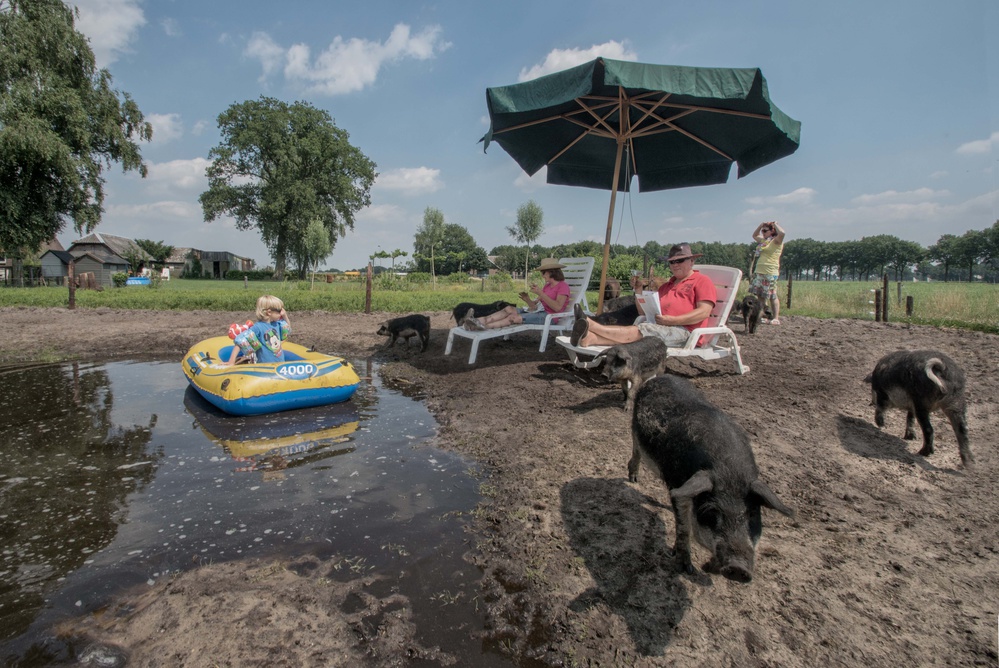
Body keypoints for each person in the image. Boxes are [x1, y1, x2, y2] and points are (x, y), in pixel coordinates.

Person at [569, 243, 716, 347]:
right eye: (671, 262)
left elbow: (704, 312)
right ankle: (590, 339)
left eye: (680, 260)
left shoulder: (701, 281)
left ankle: (591, 324)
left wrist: (673, 320)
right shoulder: (667, 285)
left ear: (692, 261)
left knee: (643, 329)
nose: (675, 265)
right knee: (641, 325)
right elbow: (642, 312)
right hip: (660, 327)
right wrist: (638, 291)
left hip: (685, 332)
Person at [464, 258, 571, 330]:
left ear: (551, 272)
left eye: (543, 272)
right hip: (539, 312)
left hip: (549, 317)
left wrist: (540, 293)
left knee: (513, 318)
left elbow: (557, 308)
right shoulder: (547, 286)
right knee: (509, 309)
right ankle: (474, 321)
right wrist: (527, 299)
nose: (542, 275)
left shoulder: (563, 286)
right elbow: (534, 307)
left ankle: (483, 327)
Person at [223, 295, 291, 365]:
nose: (282, 313)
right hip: (265, 367)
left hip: (280, 365)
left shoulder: (276, 324)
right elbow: (240, 341)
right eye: (279, 311)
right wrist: (231, 361)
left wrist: (285, 316)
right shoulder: (258, 327)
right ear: (269, 312)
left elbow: (287, 329)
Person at [750, 221, 786, 324]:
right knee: (761, 295)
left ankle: (776, 318)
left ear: (772, 231)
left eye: (765, 231)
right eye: (763, 231)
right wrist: (761, 225)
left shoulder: (776, 241)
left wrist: (775, 224)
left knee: (772, 295)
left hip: (770, 272)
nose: (763, 232)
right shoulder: (764, 241)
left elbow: (782, 233)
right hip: (760, 271)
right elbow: (754, 235)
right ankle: (763, 315)